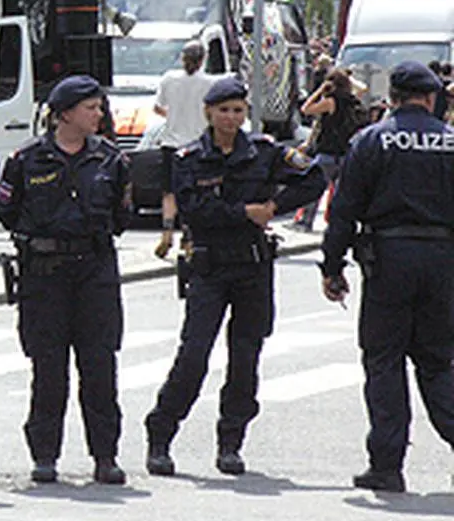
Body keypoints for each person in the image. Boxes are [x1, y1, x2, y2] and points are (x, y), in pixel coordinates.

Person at [144, 77, 325, 477]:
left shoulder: (262, 151)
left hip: (252, 267)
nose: (231, 117)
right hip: (209, 268)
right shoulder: (190, 157)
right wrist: (245, 212)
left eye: (238, 110)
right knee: (194, 356)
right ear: (209, 113)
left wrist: (275, 206)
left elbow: (314, 178)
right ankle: (161, 433)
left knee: (246, 359)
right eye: (223, 110)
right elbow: (193, 209)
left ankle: (231, 442)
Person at [320, 61, 454, 493]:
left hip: (389, 262)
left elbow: (343, 211)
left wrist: (332, 265)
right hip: (442, 262)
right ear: (431, 98)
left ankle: (386, 464)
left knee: (383, 362)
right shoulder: (451, 143)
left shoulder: (371, 141)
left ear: (391, 97)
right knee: (437, 362)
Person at [0, 75, 131, 485]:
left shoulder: (110, 159)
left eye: (100, 107)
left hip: (95, 273)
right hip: (44, 277)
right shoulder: (26, 160)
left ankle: (105, 456)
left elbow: (121, 215)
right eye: (91, 108)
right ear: (65, 113)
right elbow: (7, 210)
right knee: (48, 369)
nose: (99, 114)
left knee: (100, 367)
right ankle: (44, 456)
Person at [152, 41, 213, 259]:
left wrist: (174, 116)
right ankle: (188, 237)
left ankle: (167, 232)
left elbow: (158, 107)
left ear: (182, 58)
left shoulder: (169, 78)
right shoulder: (209, 83)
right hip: (196, 145)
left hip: (171, 143)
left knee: (169, 192)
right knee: (193, 193)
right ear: (203, 59)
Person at [292, 68, 367, 232]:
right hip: (346, 154)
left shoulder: (331, 101)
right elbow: (363, 88)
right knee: (341, 193)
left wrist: (320, 90)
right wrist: (348, 79)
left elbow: (306, 109)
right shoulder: (352, 100)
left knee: (314, 187)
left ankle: (305, 222)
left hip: (328, 153)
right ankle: (338, 225)